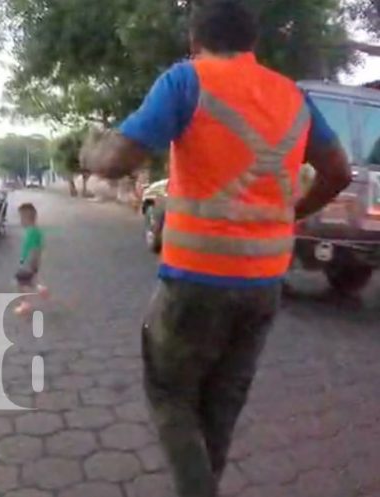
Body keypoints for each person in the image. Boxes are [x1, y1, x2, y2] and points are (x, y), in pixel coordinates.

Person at [82, 1, 352, 496]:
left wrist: (90, 147)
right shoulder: (291, 96)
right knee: (221, 405)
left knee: (170, 394)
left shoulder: (185, 81)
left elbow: (114, 162)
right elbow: (339, 173)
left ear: (193, 41)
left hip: (194, 282)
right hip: (265, 286)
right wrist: (292, 211)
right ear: (253, 44)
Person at [14, 203, 48, 315]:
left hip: (28, 264)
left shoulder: (31, 233)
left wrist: (32, 262)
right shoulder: (35, 231)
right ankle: (40, 289)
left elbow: (35, 249)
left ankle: (24, 304)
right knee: (28, 281)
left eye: (21, 218)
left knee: (20, 283)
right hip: (30, 263)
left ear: (27, 218)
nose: (20, 221)